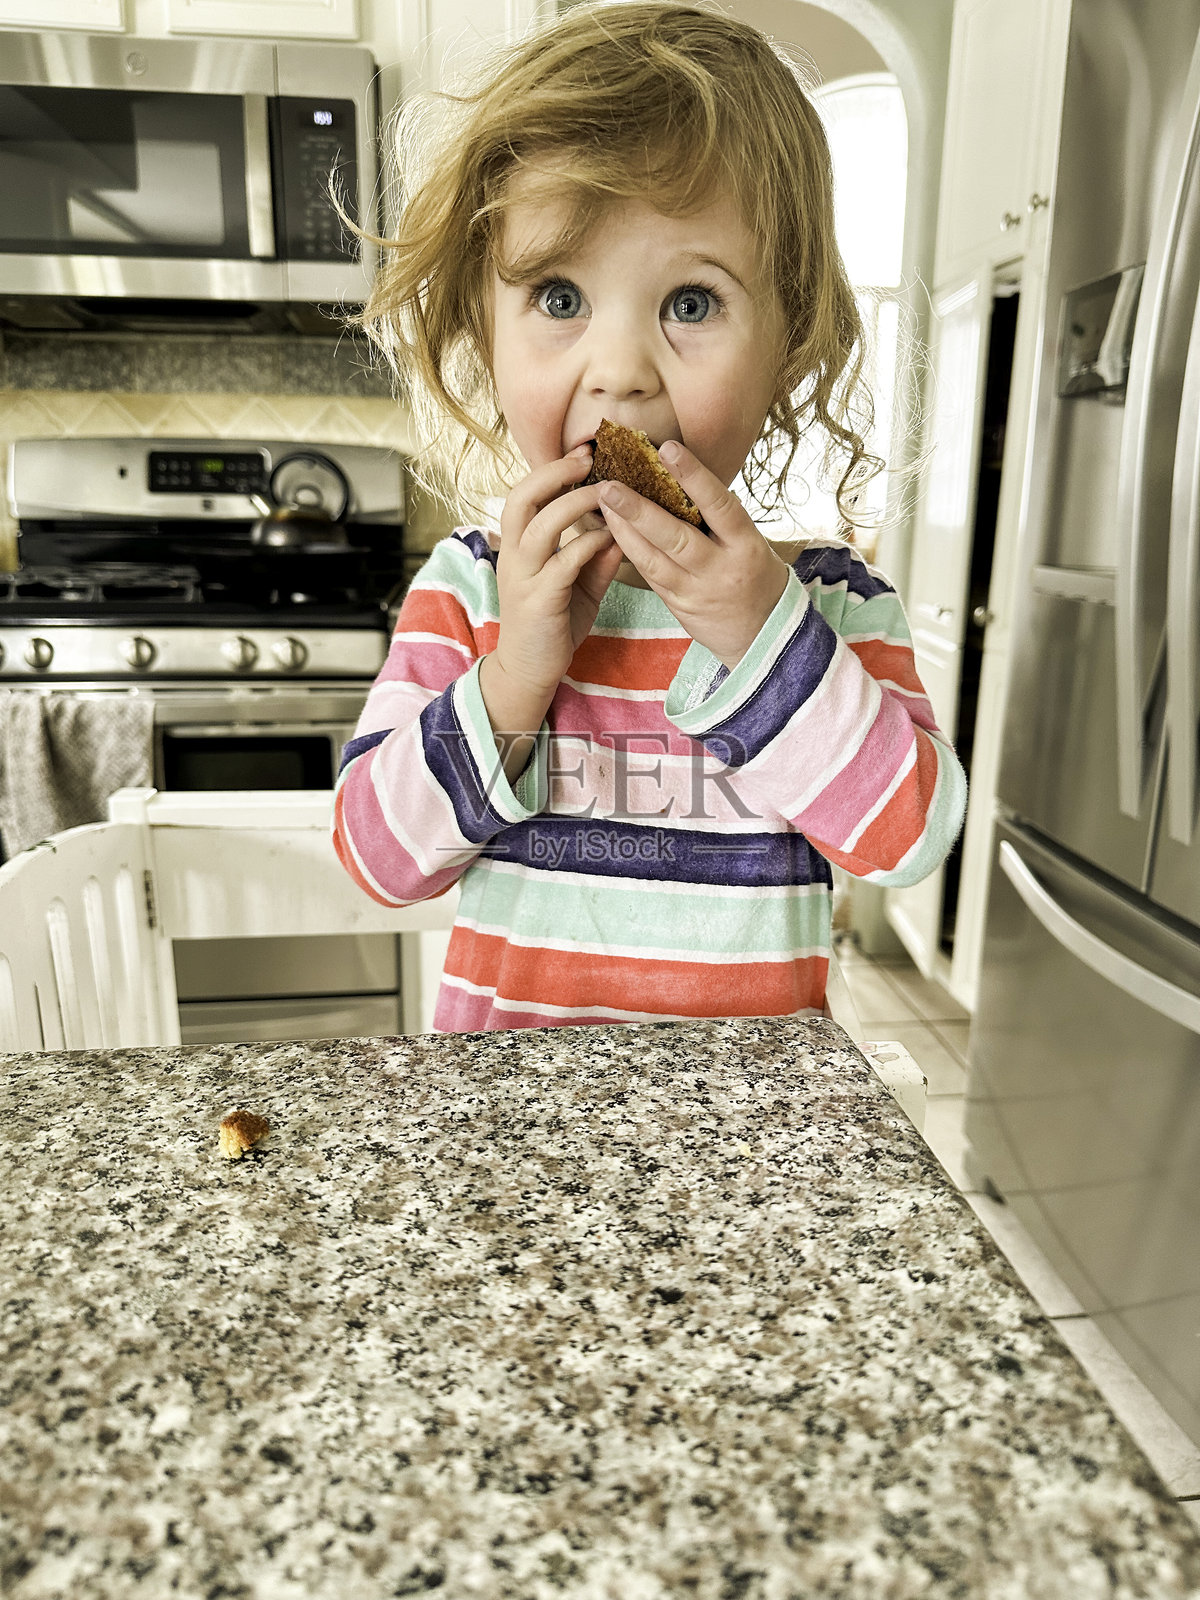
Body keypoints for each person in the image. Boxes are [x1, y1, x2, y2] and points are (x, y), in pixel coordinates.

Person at [333, 0, 966, 1031]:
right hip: (513, 1141)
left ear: (789, 343)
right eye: (559, 297)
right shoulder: (470, 594)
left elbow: (911, 841)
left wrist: (763, 639)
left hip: (752, 1154)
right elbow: (377, 858)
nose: (619, 373)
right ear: (484, 329)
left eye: (691, 304)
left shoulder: (833, 609)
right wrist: (514, 677)